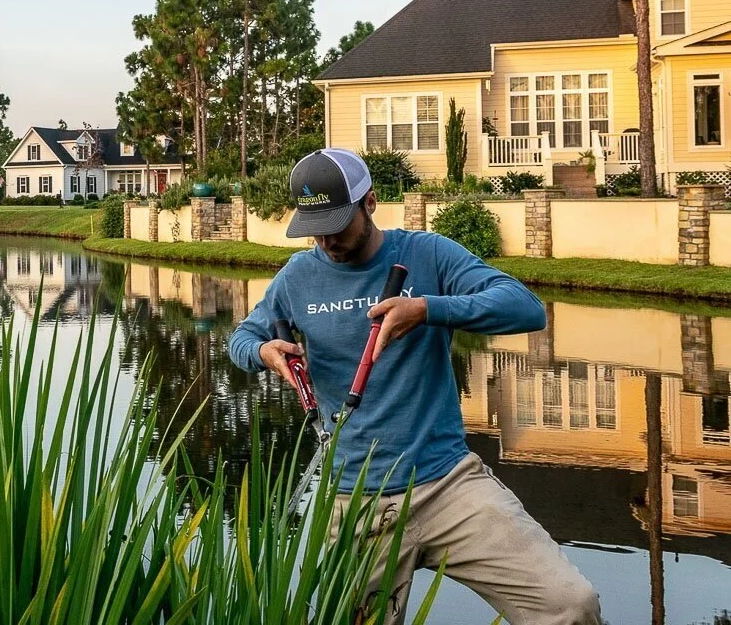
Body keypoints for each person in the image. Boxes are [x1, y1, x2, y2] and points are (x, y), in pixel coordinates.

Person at [227, 148, 601, 625]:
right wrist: (265, 353)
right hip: (354, 500)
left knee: (571, 605)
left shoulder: (427, 254)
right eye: (315, 226)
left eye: (337, 223)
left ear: (371, 203)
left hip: (448, 485)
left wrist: (428, 309)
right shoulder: (298, 277)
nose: (326, 239)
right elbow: (242, 338)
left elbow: (524, 307)